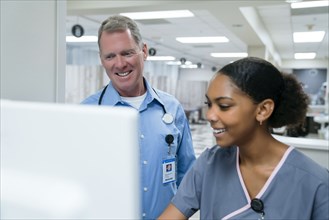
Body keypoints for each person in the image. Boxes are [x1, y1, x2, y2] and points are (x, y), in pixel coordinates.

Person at [158, 57, 329, 219]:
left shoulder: (315, 182)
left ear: (263, 110)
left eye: (224, 106)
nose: (210, 115)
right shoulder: (209, 164)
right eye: (209, 104)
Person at [81, 15, 195, 219]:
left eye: (127, 53)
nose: (120, 64)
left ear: (143, 51)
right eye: (110, 56)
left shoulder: (171, 108)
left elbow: (188, 177)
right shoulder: (87, 113)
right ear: (102, 60)